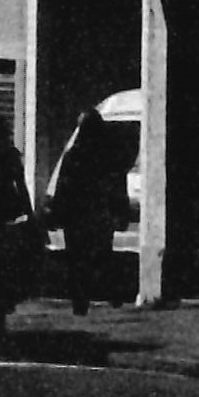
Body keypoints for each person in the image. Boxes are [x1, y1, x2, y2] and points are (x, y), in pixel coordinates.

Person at [51, 109, 123, 315]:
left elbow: (63, 185)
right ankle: (109, 292)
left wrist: (58, 212)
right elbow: (116, 184)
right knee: (100, 255)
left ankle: (81, 301)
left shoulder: (74, 155)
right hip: (97, 213)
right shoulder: (107, 155)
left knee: (77, 259)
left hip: (78, 215)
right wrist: (118, 209)